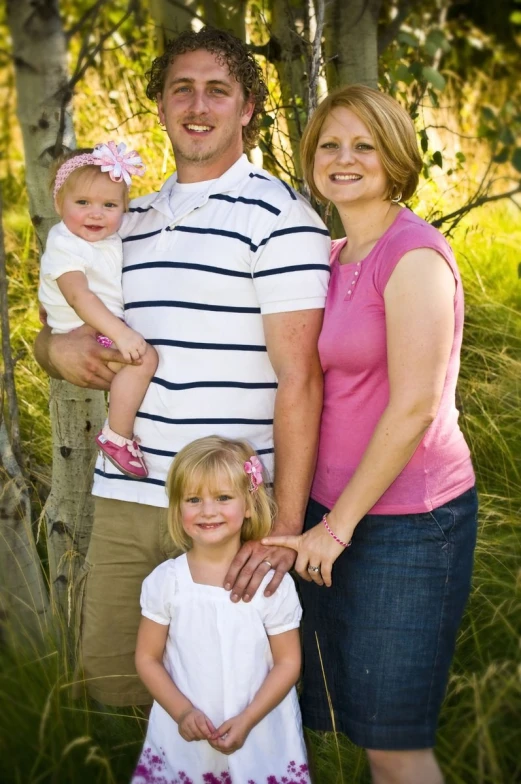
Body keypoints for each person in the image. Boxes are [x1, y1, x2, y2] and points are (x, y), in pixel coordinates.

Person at [34, 26, 330, 707]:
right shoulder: (121, 216)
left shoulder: (280, 220)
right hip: (127, 498)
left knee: (228, 710)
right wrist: (56, 351)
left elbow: (301, 381)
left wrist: (283, 529)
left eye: (217, 91)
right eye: (181, 90)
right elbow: (58, 327)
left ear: (247, 107)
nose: (198, 105)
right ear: (162, 106)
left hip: (227, 508)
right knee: (113, 695)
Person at [263, 85, 478, 784]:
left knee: (393, 745)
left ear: (394, 158)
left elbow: (414, 405)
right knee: (350, 731)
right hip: (332, 513)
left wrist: (336, 528)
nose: (344, 158)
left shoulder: (412, 255)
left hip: (406, 524)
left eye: (363, 145)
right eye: (329, 144)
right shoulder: (327, 256)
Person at [131, 436, 310, 783]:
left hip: (258, 726)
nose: (207, 510)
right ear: (177, 507)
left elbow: (288, 662)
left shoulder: (270, 584)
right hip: (185, 730)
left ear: (248, 505)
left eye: (223, 497)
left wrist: (248, 719)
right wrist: (182, 713)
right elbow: (147, 658)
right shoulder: (166, 581)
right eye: (193, 499)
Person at [39, 142, 157, 478]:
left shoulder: (104, 239)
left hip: (92, 325)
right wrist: (120, 332)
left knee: (132, 368)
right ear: (58, 203)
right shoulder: (66, 242)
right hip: (89, 329)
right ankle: (117, 436)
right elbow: (80, 296)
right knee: (143, 359)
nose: (96, 213)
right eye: (83, 203)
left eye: (109, 205)